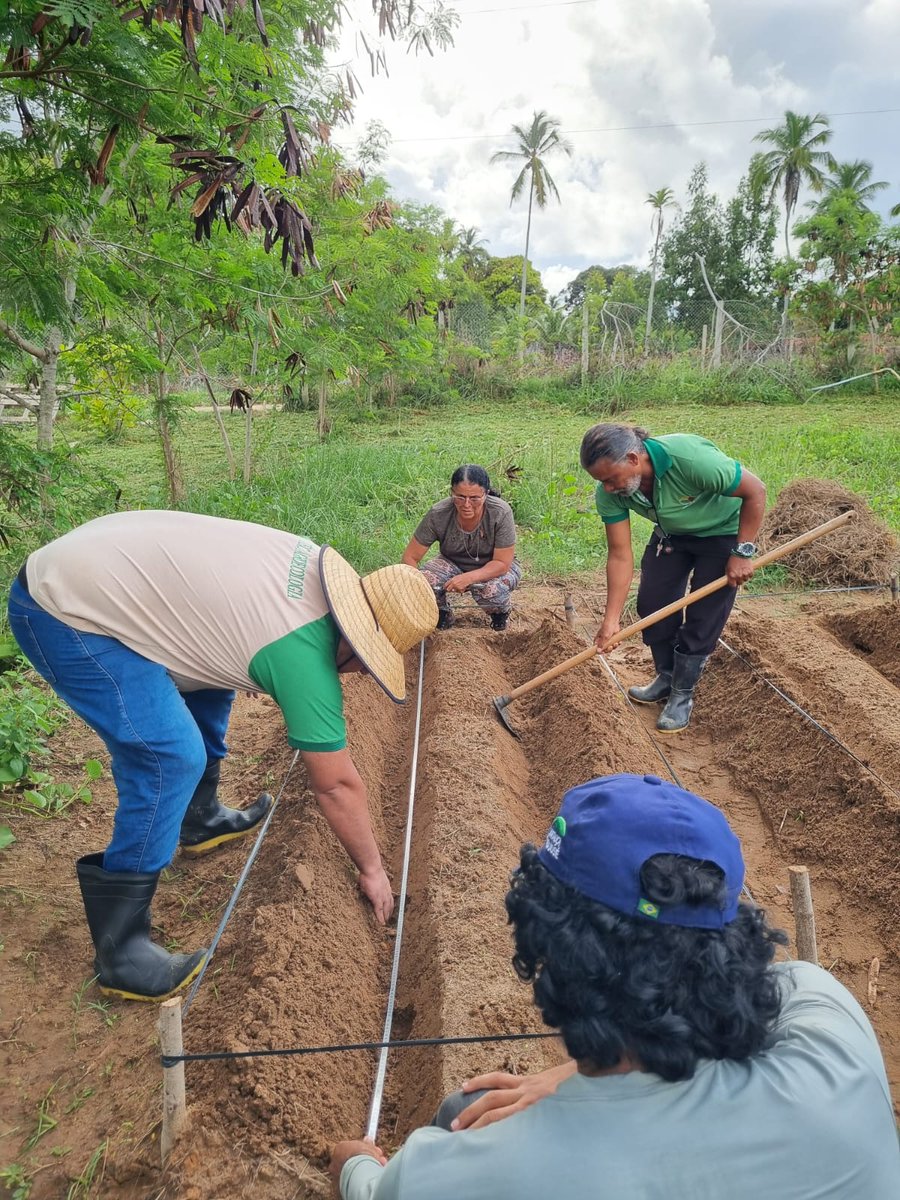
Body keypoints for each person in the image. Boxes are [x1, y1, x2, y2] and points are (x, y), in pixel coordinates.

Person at [330, 774, 900, 1200]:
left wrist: (351, 1164)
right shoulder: (836, 1044)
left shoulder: (488, 1175)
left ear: (550, 954)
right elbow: (793, 979)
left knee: (462, 1107)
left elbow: (379, 1188)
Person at [8, 510, 437, 1002]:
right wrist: (373, 869)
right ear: (357, 643)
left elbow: (224, 624)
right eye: (365, 663)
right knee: (168, 755)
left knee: (217, 680)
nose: (360, 675)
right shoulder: (298, 653)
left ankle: (199, 817)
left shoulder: (307, 566)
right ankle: (121, 951)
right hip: (62, 612)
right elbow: (335, 784)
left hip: (97, 565)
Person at [579, 423, 767, 733]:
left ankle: (682, 694)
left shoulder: (690, 459)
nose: (608, 488)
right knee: (653, 603)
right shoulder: (610, 491)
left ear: (633, 458)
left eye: (612, 479)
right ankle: (666, 678)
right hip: (672, 536)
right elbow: (619, 555)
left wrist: (743, 551)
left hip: (721, 534)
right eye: (602, 482)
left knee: (704, 614)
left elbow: (755, 490)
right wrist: (610, 620)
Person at [401, 465, 520, 632]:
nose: (466, 504)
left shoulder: (500, 512)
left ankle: (500, 614)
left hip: (495, 565)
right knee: (426, 581)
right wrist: (418, 588)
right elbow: (410, 557)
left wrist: (468, 578)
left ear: (485, 494)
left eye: (474, 498)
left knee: (492, 591)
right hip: (452, 562)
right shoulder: (438, 513)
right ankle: (441, 613)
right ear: (452, 493)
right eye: (460, 497)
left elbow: (502, 563)